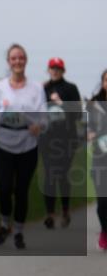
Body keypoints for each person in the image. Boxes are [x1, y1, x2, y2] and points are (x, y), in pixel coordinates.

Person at [0, 43, 48, 249]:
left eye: (21, 58)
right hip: (4, 144)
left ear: (25, 61)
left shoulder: (36, 88)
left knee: (21, 191)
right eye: (13, 58)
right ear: (9, 62)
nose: (17, 61)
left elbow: (45, 115)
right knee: (4, 188)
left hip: (28, 145)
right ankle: (4, 226)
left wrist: (40, 125)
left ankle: (18, 232)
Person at [40, 57, 82, 229]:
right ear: (48, 70)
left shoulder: (71, 88)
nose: (55, 71)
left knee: (62, 176)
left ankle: (65, 210)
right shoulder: (43, 88)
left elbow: (78, 114)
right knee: (49, 175)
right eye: (52, 68)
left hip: (66, 139)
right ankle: (50, 214)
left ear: (63, 70)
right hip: (47, 139)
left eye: (58, 68)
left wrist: (61, 103)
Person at [88, 69, 107, 251]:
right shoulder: (94, 105)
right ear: (103, 83)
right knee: (103, 203)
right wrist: (89, 133)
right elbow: (87, 127)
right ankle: (104, 231)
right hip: (100, 159)